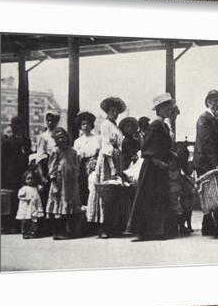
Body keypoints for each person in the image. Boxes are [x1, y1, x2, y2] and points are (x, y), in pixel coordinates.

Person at [128, 93, 176, 241]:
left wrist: (171, 156)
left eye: (169, 107)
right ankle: (142, 232)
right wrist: (159, 163)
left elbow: (164, 147)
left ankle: (158, 231)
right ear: (159, 109)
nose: (169, 110)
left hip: (160, 168)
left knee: (159, 198)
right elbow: (146, 149)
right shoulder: (154, 125)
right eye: (166, 107)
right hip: (151, 168)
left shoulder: (163, 125)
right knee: (147, 198)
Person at [87, 97, 127, 238]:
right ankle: (103, 227)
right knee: (106, 192)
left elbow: (119, 145)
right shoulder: (105, 125)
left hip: (116, 158)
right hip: (107, 161)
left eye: (116, 111)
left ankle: (113, 226)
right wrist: (112, 166)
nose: (114, 113)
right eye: (112, 110)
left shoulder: (116, 127)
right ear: (107, 111)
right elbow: (106, 146)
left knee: (115, 193)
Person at [193, 89, 218, 237]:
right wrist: (216, 163)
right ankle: (213, 226)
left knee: (210, 195)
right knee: (210, 195)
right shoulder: (204, 119)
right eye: (214, 101)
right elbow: (207, 143)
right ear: (208, 102)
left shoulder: (214, 119)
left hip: (209, 162)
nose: (217, 104)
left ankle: (209, 226)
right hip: (204, 163)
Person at [45, 127, 82, 240]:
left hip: (71, 183)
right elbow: (51, 168)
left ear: (67, 137)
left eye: (63, 137)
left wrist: (76, 176)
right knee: (58, 206)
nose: (61, 140)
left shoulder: (73, 151)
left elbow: (76, 166)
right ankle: (57, 232)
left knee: (70, 206)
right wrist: (54, 183)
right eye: (58, 138)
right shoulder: (55, 151)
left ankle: (70, 230)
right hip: (60, 183)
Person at [0, 116, 32, 233]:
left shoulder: (26, 141)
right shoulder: (6, 142)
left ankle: (19, 224)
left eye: (18, 127)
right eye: (13, 127)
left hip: (22, 173)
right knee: (11, 199)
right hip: (10, 174)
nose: (16, 129)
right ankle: (9, 224)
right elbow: (3, 160)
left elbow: (28, 154)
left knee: (21, 198)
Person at [73, 111, 101, 207]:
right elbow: (76, 156)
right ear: (80, 126)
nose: (85, 126)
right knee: (83, 185)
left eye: (88, 124)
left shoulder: (97, 138)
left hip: (95, 163)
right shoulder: (78, 141)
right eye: (83, 124)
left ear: (91, 125)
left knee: (93, 185)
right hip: (82, 165)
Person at [16, 170, 44, 239]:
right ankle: (25, 232)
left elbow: (41, 191)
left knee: (34, 220)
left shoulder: (36, 188)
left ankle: (33, 232)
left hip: (34, 207)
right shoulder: (24, 188)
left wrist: (40, 187)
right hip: (26, 207)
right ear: (25, 179)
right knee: (25, 220)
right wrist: (25, 198)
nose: (30, 180)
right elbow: (19, 196)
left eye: (32, 178)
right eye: (28, 178)